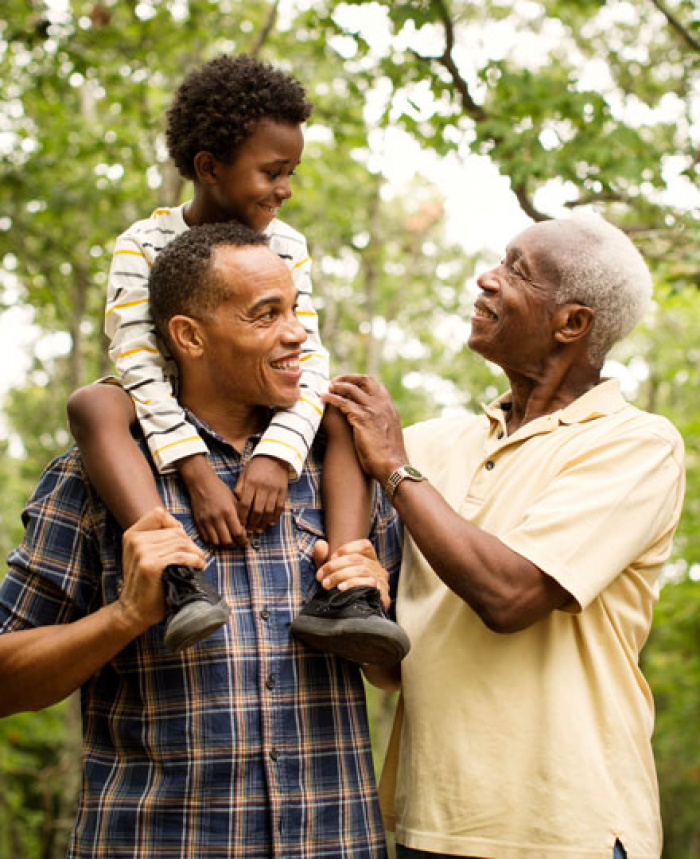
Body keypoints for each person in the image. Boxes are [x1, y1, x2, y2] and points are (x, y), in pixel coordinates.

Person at [0, 222, 402, 858]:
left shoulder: (343, 473)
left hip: (336, 842)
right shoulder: (94, 476)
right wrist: (126, 616)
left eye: (295, 310)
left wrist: (374, 597)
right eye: (266, 315)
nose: (297, 333)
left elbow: (392, 674)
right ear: (189, 336)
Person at [323, 213, 686, 859]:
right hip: (427, 822)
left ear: (571, 323)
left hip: (567, 829)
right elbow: (393, 666)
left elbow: (510, 594)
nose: (486, 279)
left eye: (516, 270)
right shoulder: (434, 444)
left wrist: (394, 467)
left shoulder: (637, 444)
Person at [66, 54, 408, 664]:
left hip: (267, 407)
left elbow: (308, 356)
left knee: (342, 406)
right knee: (95, 402)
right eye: (272, 171)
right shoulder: (141, 244)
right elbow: (138, 360)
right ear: (209, 167)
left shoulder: (286, 244)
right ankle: (175, 575)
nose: (285, 189)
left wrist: (278, 456)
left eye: (291, 172)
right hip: (168, 411)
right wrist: (195, 471)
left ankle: (348, 591)